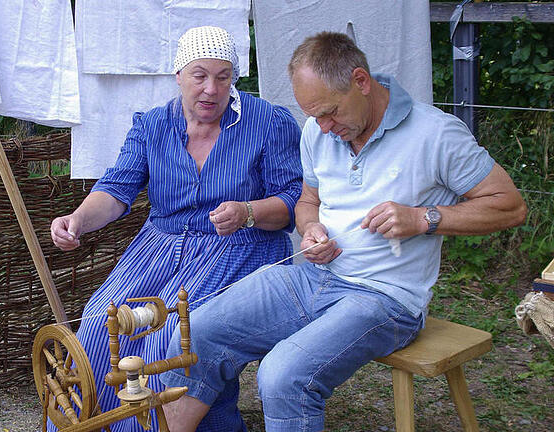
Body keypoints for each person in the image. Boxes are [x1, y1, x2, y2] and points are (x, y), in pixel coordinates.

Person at [160, 31, 527, 432]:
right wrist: (310, 229)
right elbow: (306, 201)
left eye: (331, 113)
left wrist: (424, 218)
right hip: (313, 277)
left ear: (361, 82)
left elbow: (509, 206)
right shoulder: (318, 130)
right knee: (198, 332)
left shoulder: (436, 134)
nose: (324, 126)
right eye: (315, 116)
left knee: (284, 376)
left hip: (385, 299)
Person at [49, 26, 303, 432]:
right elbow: (116, 190)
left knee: (168, 333)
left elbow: (294, 200)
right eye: (199, 75)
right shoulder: (152, 126)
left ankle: (166, 426)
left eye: (223, 77)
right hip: (160, 248)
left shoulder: (268, 122)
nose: (211, 89)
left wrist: (248, 211)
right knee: (99, 320)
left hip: (240, 246)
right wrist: (77, 220)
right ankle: (93, 424)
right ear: (178, 74)